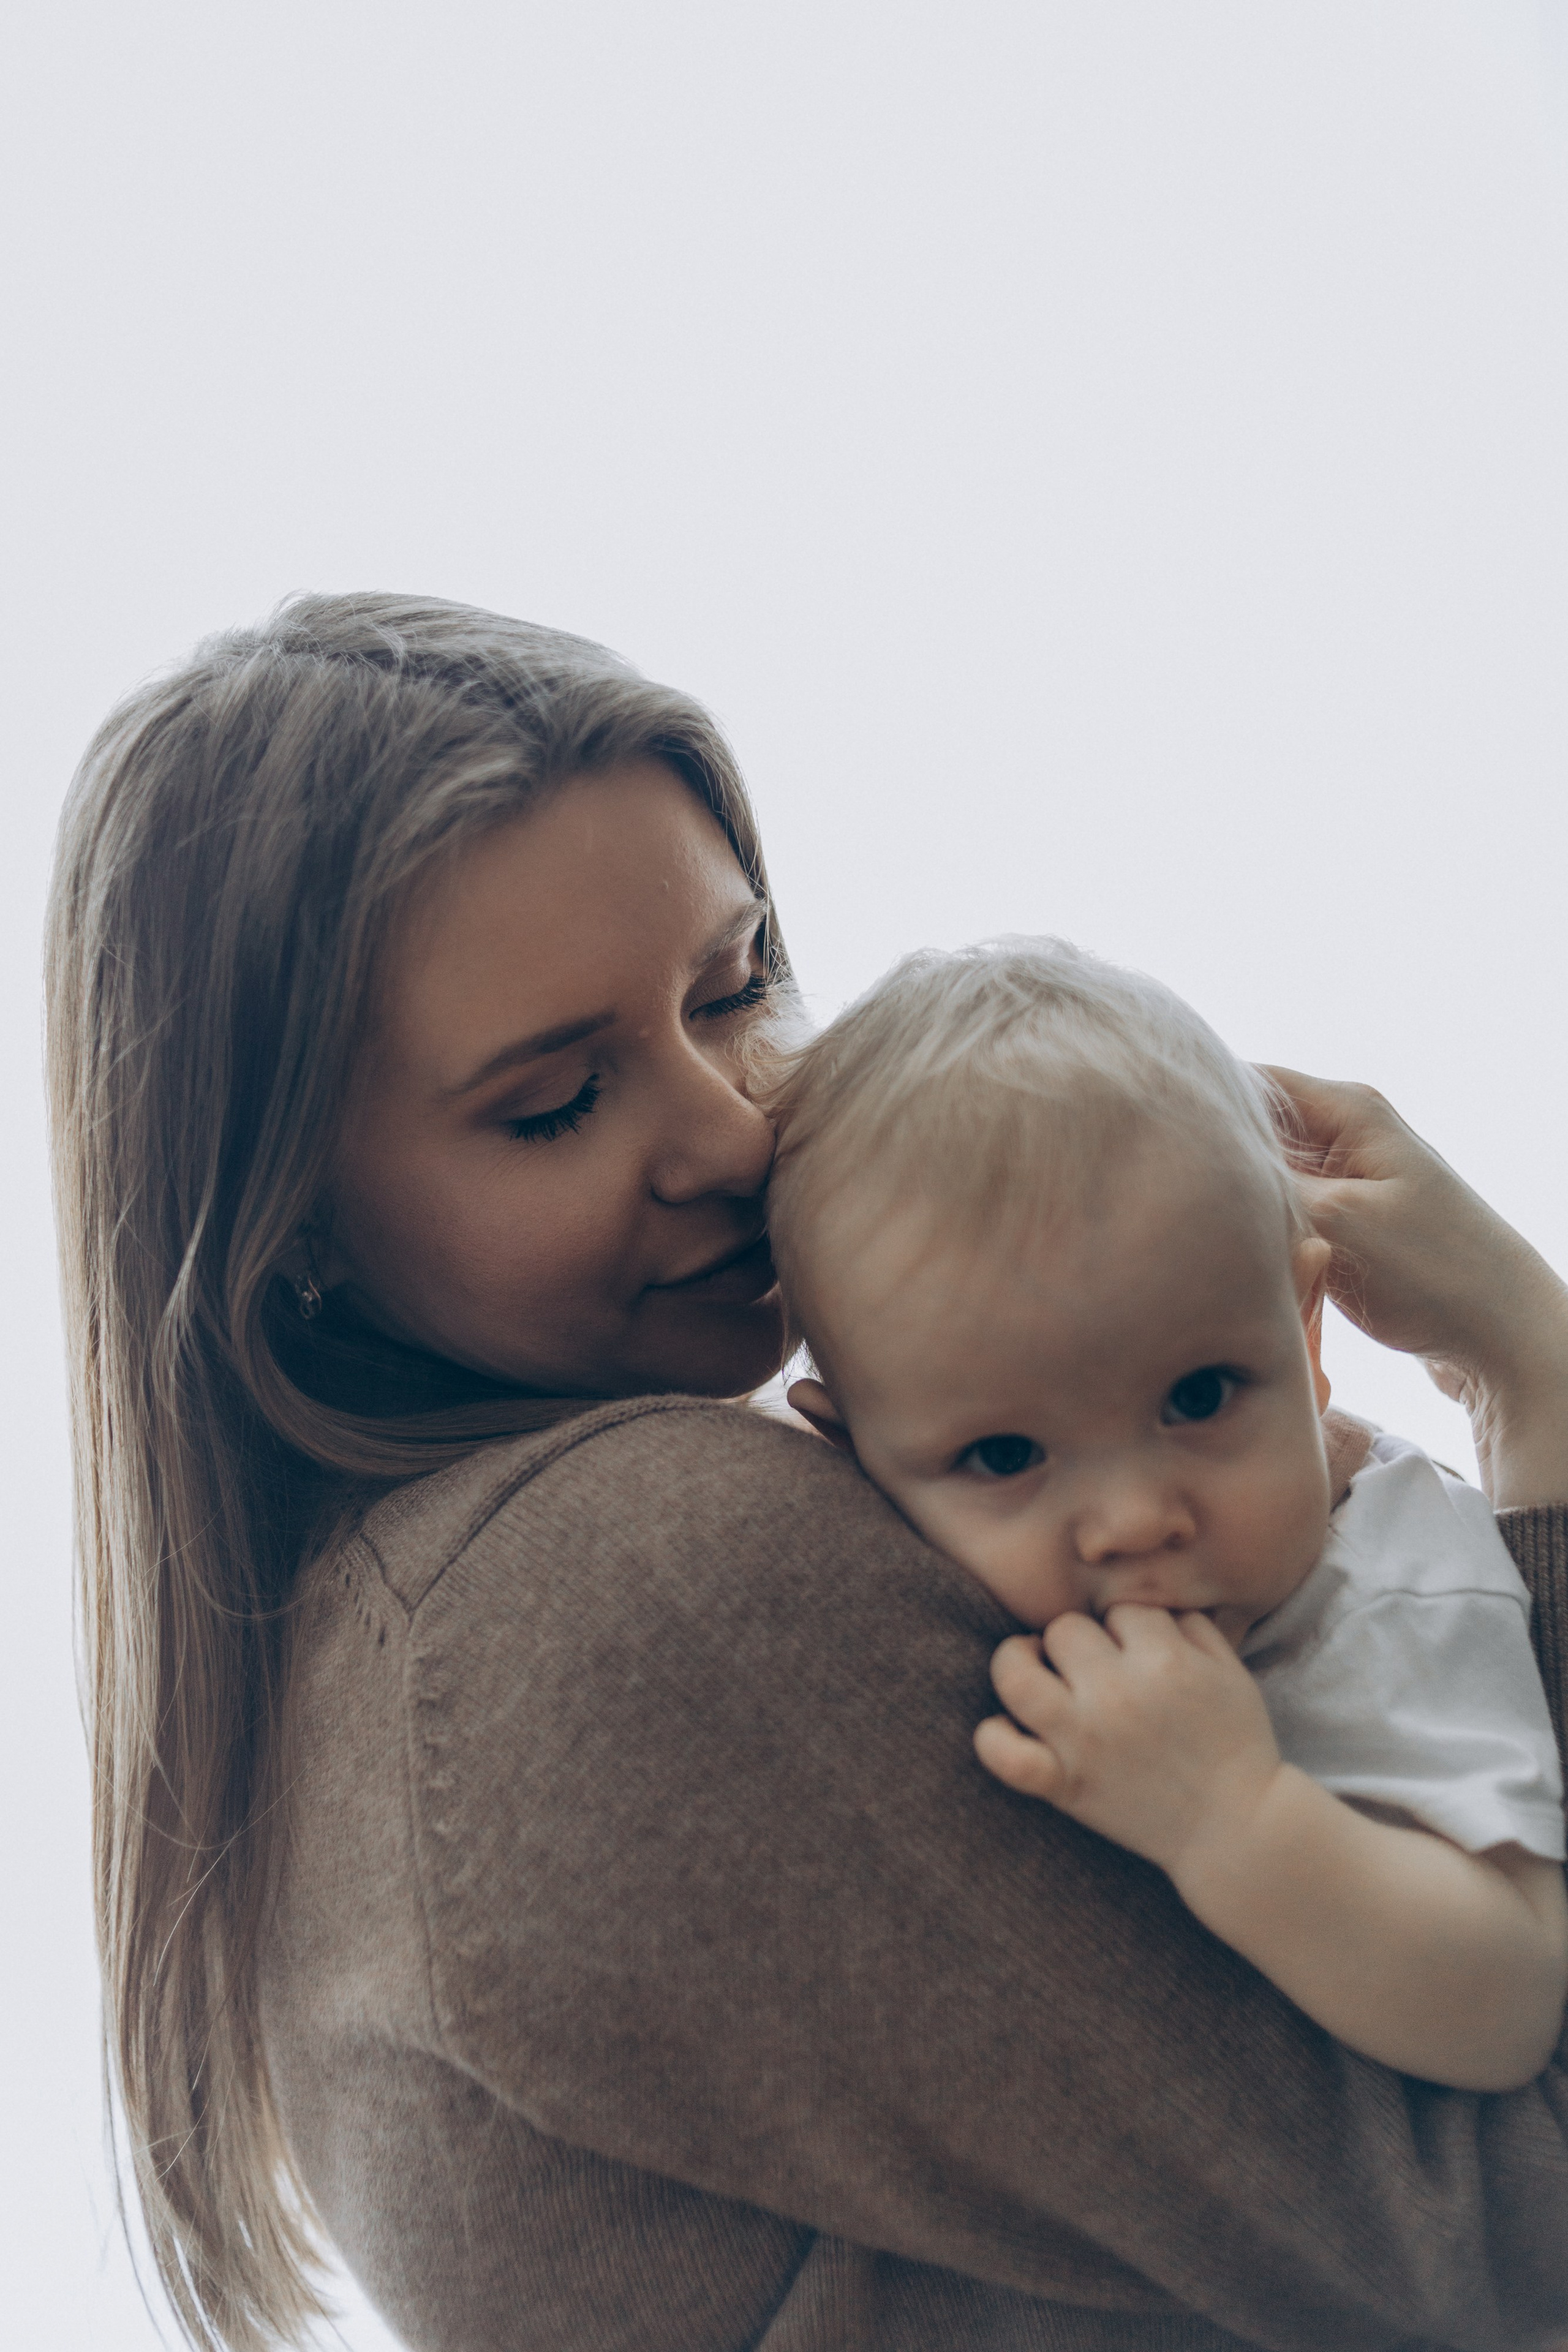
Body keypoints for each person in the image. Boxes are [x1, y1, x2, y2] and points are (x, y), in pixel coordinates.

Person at [45, 590, 1568, 2352]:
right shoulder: (616, 1594)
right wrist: (1530, 1385)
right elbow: (1515, 2221)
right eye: (556, 1103)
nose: (728, 1132)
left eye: (734, 987)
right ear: (289, 1225)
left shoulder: (395, 1651)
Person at [764, 938, 1567, 2092]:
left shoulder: (1391, 1588)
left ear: (1306, 1336)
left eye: (1199, 1398)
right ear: (848, 1454)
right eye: (1005, 1454)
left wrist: (1234, 1820)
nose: (1137, 1520)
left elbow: (1509, 2000)